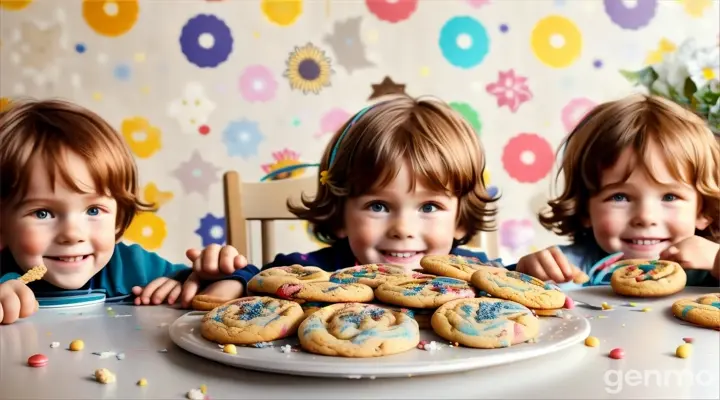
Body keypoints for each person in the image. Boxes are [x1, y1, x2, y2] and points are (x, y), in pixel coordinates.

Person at [187, 95, 503, 278]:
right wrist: (230, 278)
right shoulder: (312, 272)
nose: (403, 229)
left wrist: (535, 268)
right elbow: (259, 281)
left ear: (460, 219)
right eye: (378, 206)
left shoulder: (476, 273)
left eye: (429, 206)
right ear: (340, 215)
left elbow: (517, 283)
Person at [0, 99, 256, 324]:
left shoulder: (133, 269)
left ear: (117, 218)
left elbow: (258, 279)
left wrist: (224, 277)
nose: (72, 234)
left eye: (93, 210)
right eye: (43, 213)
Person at [514, 94, 720, 287]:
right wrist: (523, 274)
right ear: (585, 208)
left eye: (670, 196)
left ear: (703, 211)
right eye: (620, 197)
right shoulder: (567, 268)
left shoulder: (709, 266)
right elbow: (491, 289)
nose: (645, 217)